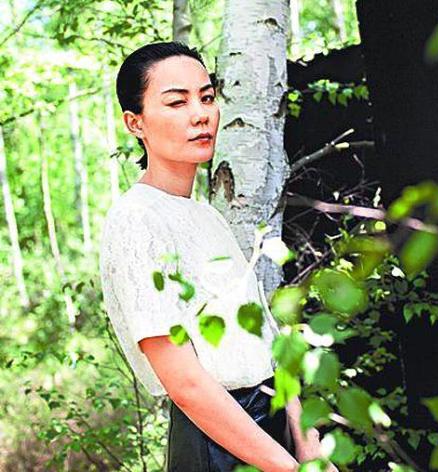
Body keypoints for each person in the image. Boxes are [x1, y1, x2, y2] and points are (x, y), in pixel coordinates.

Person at [99, 41, 337, 472]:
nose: (200, 114)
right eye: (177, 102)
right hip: (217, 445)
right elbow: (186, 384)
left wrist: (306, 442)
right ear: (135, 123)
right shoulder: (137, 219)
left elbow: (265, 340)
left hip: (271, 430)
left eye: (207, 97)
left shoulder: (207, 216)